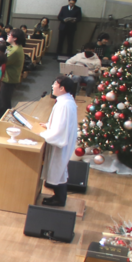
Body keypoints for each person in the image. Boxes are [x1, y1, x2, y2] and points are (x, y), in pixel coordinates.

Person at [38, 76, 80, 207]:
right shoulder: (65, 101)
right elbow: (61, 122)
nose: (52, 86)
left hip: (61, 142)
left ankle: (59, 199)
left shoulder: (65, 104)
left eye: (55, 84)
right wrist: (48, 125)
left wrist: (43, 134)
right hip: (63, 140)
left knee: (59, 169)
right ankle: (58, 197)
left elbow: (61, 128)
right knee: (59, 169)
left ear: (62, 88)